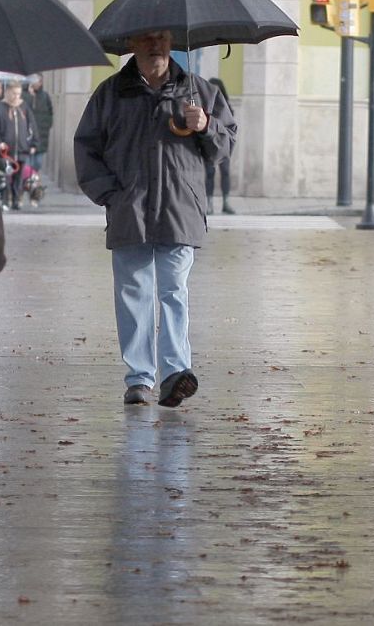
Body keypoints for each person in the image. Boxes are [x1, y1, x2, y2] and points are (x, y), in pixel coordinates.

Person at [74, 29, 236, 408]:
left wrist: (205, 125)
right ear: (132, 46)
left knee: (173, 292)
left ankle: (176, 373)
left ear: (171, 44)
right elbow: (86, 148)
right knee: (134, 294)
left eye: (161, 38)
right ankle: (139, 378)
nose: (155, 46)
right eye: (146, 40)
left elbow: (224, 145)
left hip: (180, 209)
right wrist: (110, 196)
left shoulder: (199, 91)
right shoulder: (111, 94)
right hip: (130, 210)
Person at [0, 80, 38, 210]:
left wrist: (33, 143)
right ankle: (5, 200)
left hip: (21, 148)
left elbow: (32, 125)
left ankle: (16, 200)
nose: (17, 96)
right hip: (6, 149)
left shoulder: (24, 107)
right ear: (8, 92)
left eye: (19, 94)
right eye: (14, 93)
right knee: (6, 176)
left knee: (19, 177)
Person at [205, 76, 236, 214]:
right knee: (210, 173)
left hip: (223, 142)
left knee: (225, 172)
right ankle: (209, 203)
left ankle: (226, 202)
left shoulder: (226, 106)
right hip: (209, 142)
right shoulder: (205, 103)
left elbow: (231, 127)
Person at [26, 72, 55, 177]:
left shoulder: (45, 96)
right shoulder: (24, 95)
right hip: (27, 136)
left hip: (41, 136)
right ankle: (30, 183)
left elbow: (50, 112)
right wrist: (29, 96)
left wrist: (48, 125)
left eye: (40, 80)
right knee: (28, 164)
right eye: (36, 80)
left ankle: (33, 179)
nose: (38, 83)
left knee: (38, 163)